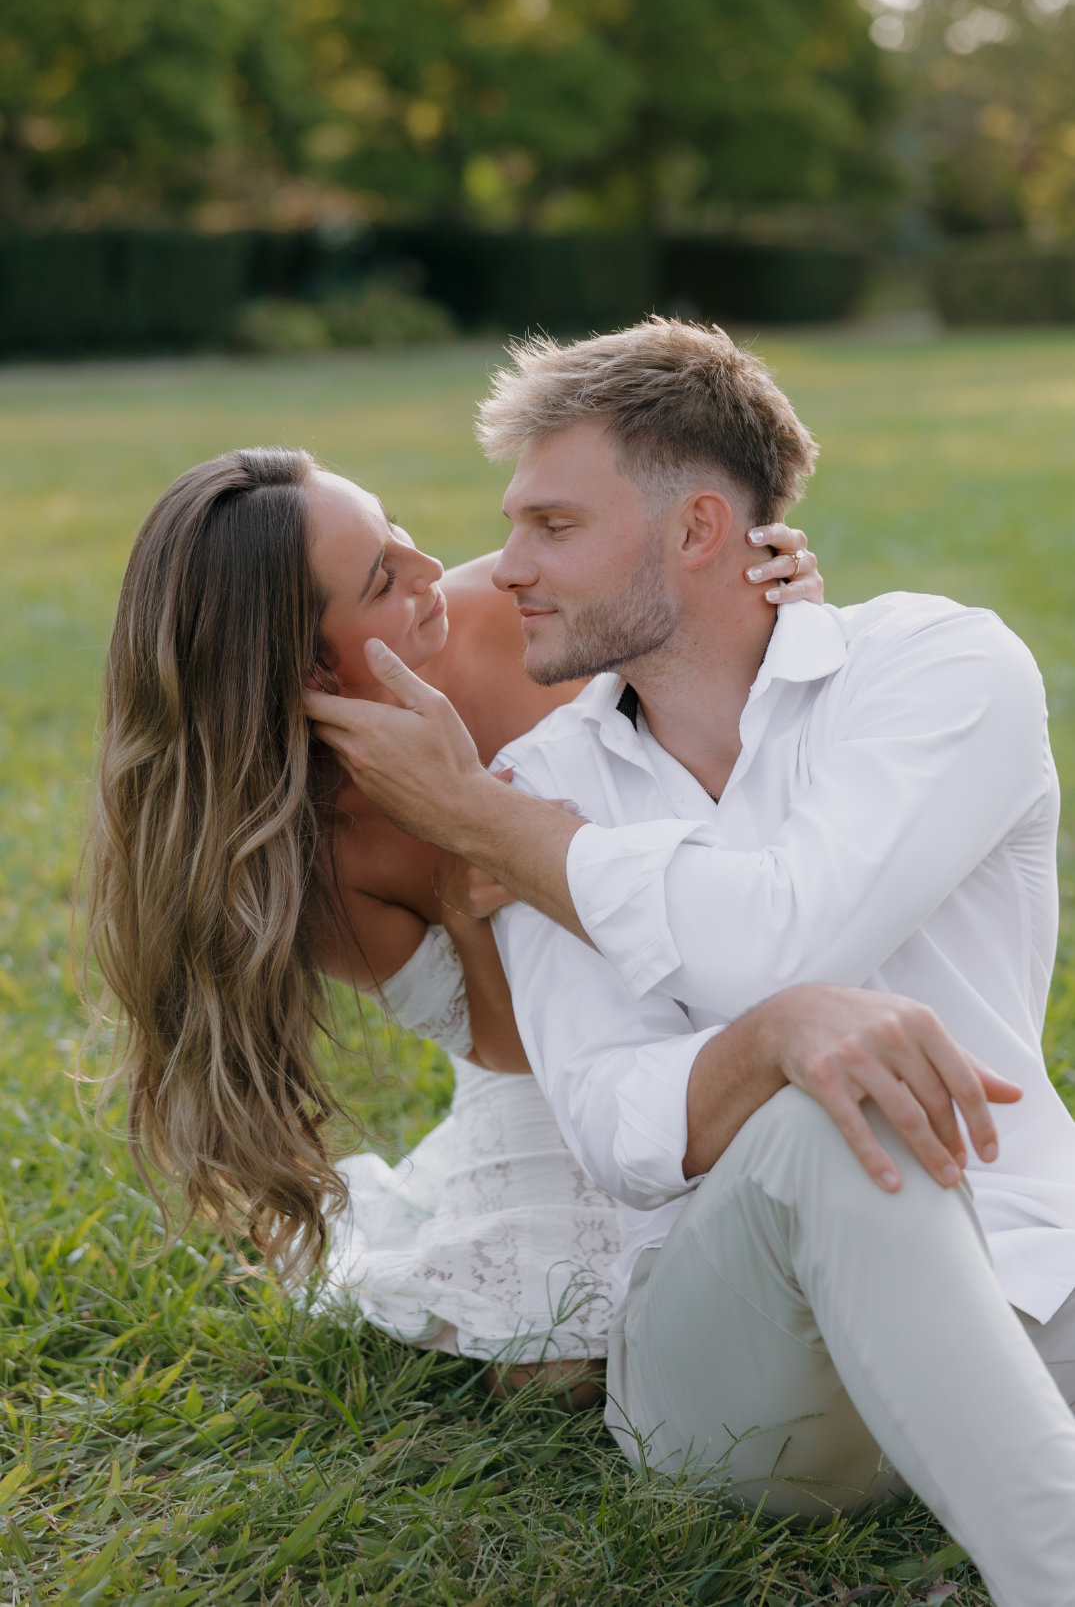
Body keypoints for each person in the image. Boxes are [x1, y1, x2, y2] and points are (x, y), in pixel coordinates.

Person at [303, 317, 1075, 1607]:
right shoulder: (542, 780)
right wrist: (773, 1043)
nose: (506, 568)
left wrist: (505, 836)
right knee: (833, 1112)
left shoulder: (942, 669)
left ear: (699, 530)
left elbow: (792, 932)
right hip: (733, 1384)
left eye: (551, 527)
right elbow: (611, 1119)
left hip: (1021, 1266)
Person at [82, 439, 827, 1399]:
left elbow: (726, 675)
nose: (435, 569)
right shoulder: (301, 861)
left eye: (397, 529)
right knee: (558, 1356)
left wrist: (770, 592)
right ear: (312, 667)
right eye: (384, 577)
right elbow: (509, 1047)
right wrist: (466, 880)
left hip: (719, 958)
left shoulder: (526, 621)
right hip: (541, 1072)